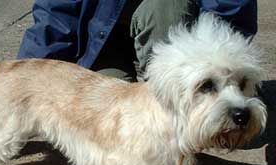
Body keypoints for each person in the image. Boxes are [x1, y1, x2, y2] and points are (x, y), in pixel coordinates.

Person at [17, 0, 258, 81]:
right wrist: (27, 79)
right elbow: (56, 11)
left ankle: (175, 103)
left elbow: (228, 7)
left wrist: (222, 69)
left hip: (174, 30)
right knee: (105, 120)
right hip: (104, 38)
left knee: (165, 5)